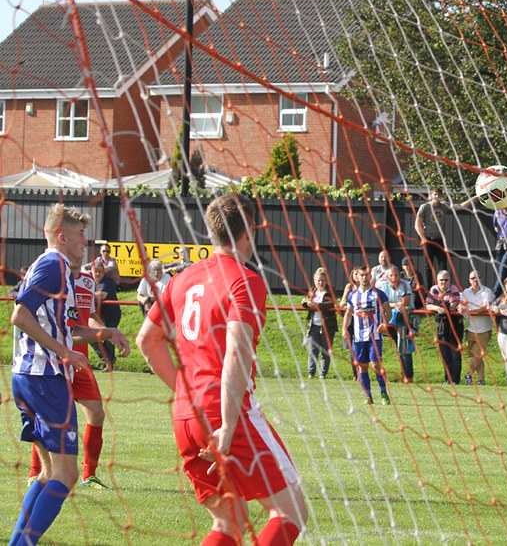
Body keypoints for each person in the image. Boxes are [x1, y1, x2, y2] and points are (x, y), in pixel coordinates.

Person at [136, 194, 307, 545]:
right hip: (227, 411)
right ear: (251, 230)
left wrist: (185, 392)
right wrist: (227, 423)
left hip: (186, 415)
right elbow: (236, 353)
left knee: (229, 521)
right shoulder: (244, 280)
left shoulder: (181, 280)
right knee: (290, 512)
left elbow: (146, 341)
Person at [8, 204, 91, 546]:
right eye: (81, 235)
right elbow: (20, 315)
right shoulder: (53, 263)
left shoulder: (58, 269)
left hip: (28, 376)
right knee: (67, 474)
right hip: (45, 378)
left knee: (46, 473)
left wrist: (104, 335)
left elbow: (63, 329)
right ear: (62, 237)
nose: (86, 241)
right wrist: (64, 353)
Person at [30, 249, 132, 489]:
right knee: (46, 418)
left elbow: (91, 317)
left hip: (80, 362)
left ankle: (89, 474)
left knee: (96, 413)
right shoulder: (52, 279)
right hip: (55, 360)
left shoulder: (86, 282)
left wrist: (103, 332)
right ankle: (36, 472)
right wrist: (105, 333)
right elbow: (70, 333)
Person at [343, 266, 392, 405]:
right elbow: (348, 314)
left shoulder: (378, 294)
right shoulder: (353, 295)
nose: (364, 278)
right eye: (361, 275)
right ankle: (369, 396)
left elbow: (388, 311)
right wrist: (344, 329)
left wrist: (385, 323)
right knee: (362, 367)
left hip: (374, 336)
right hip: (358, 338)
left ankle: (383, 393)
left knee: (376, 365)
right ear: (357, 277)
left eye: (366, 275)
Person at [414, 187, 474, 277]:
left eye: (439, 195)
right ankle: (429, 290)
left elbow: (460, 206)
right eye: (435, 194)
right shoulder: (425, 207)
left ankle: (444, 286)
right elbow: (417, 224)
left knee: (443, 266)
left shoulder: (443, 206)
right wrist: (423, 238)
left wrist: (475, 198)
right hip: (428, 239)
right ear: (431, 195)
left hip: (439, 239)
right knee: (428, 267)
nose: (437, 196)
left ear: (441, 196)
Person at [377, 265, 417, 382]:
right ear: (387, 277)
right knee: (400, 347)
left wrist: (390, 305)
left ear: (400, 276)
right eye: (391, 275)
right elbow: (382, 304)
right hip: (392, 318)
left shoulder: (405, 284)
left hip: (406, 319)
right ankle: (404, 375)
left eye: (396, 275)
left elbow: (405, 302)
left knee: (404, 347)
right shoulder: (383, 286)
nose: (394, 277)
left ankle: (407, 376)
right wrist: (394, 305)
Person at [424, 270, 464, 385]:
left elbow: (452, 307)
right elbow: (427, 305)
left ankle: (455, 380)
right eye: (441, 280)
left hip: (456, 326)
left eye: (446, 280)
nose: (443, 282)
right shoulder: (433, 289)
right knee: (445, 354)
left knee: (455, 354)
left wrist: (439, 306)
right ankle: (448, 379)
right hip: (441, 327)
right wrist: (438, 308)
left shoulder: (454, 289)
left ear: (449, 281)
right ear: (437, 281)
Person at [302, 267, 338, 379]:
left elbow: (328, 304)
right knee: (312, 351)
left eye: (322, 280)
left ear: (326, 281)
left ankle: (322, 374)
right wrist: (304, 303)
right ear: (314, 281)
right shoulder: (312, 291)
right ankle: (311, 373)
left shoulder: (330, 291)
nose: (320, 283)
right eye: (318, 280)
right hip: (313, 325)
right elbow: (308, 303)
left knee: (326, 352)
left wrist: (313, 305)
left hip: (327, 326)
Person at [460, 269, 494, 386]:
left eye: (478, 277)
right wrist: (461, 308)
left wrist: (470, 310)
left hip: (484, 330)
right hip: (470, 329)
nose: (476, 280)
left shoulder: (487, 291)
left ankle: (468, 375)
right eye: (473, 278)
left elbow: (485, 307)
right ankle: (481, 381)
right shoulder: (466, 292)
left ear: (481, 279)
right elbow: (461, 303)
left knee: (478, 355)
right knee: (477, 357)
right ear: (469, 280)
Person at [90, 259, 122, 372]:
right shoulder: (91, 282)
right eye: (95, 271)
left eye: (100, 271)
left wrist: (87, 295)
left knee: (108, 337)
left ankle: (109, 362)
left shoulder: (107, 281)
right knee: (92, 337)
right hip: (98, 315)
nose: (97, 274)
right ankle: (108, 360)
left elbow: (101, 296)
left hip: (111, 314)